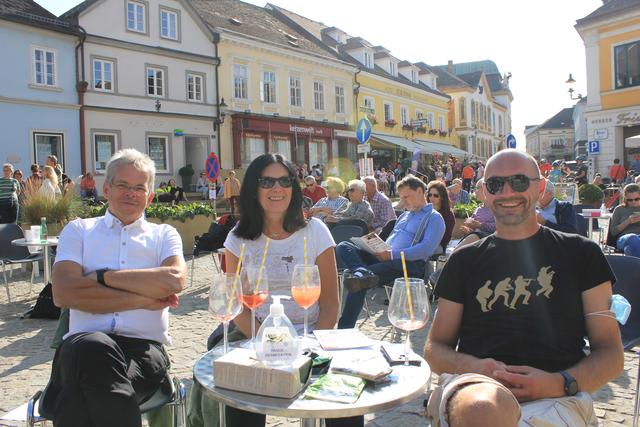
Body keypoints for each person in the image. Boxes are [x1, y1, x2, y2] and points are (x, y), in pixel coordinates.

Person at [424, 149, 623, 427]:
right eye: (495, 184)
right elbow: (435, 349)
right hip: (477, 388)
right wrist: (478, 367)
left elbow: (611, 354)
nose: (507, 192)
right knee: (483, 410)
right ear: (483, 192)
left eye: (519, 181)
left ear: (540, 187)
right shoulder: (464, 260)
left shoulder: (582, 253)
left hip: (559, 394)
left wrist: (558, 383)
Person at [186, 153, 346, 427]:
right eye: (267, 182)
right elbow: (238, 305)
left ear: (293, 188)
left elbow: (331, 304)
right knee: (241, 394)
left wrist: (308, 346)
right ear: (253, 189)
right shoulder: (238, 238)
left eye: (285, 181)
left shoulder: (316, 232)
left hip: (314, 335)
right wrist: (273, 344)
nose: (277, 189)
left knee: (346, 402)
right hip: (255, 334)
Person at [48, 148, 186, 426]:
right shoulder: (79, 231)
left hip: (143, 353)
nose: (130, 193)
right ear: (106, 188)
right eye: (122, 185)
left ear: (149, 196)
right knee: (93, 344)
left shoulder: (164, 235)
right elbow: (63, 293)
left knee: (79, 396)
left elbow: (173, 280)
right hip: (81, 345)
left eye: (139, 188)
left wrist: (101, 276)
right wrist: (144, 298)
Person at [336, 175, 445, 329]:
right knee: (344, 246)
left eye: (407, 196)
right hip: (385, 257)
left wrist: (392, 254)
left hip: (407, 264)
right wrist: (374, 246)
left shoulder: (434, 218)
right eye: (401, 197)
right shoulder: (405, 216)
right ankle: (361, 271)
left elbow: (425, 249)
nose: (404, 201)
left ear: (420, 191)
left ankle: (344, 330)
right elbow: (391, 241)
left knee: (358, 282)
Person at [454, 178, 496, 251]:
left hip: (488, 245)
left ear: (484, 189)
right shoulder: (478, 208)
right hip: (474, 243)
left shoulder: (496, 208)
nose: (474, 191)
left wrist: (480, 225)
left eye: (476, 188)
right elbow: (475, 230)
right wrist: (469, 230)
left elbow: (498, 227)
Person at [609, 183, 640, 257]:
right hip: (625, 238)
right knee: (632, 238)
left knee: (629, 249)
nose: (633, 202)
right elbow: (613, 232)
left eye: (637, 199)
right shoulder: (620, 209)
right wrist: (628, 221)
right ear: (625, 198)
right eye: (630, 200)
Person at [426, 180, 455, 253]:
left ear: (442, 197)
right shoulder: (425, 210)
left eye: (435, 195)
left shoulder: (448, 215)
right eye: (430, 195)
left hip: (437, 245)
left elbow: (445, 239)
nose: (432, 197)